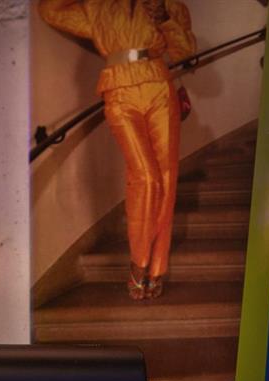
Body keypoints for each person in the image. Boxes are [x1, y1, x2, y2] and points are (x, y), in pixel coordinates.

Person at [39, 0, 196, 299]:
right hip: (119, 90)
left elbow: (185, 50)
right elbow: (49, 10)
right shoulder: (97, 7)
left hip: (160, 88)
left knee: (166, 181)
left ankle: (157, 269)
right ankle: (139, 262)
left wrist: (165, 18)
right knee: (145, 178)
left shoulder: (167, 3)